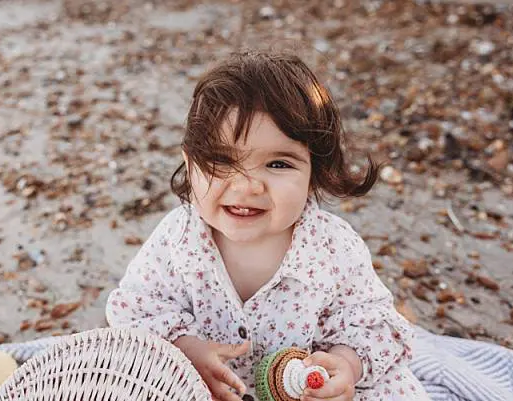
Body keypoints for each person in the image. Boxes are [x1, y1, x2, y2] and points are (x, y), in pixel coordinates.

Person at [106, 50, 428, 400]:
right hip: (207, 389)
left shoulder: (332, 247)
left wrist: (345, 365)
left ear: (314, 174)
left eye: (277, 164)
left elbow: (377, 326)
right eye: (221, 161)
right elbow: (136, 308)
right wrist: (186, 349)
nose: (247, 187)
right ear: (189, 163)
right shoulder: (179, 238)